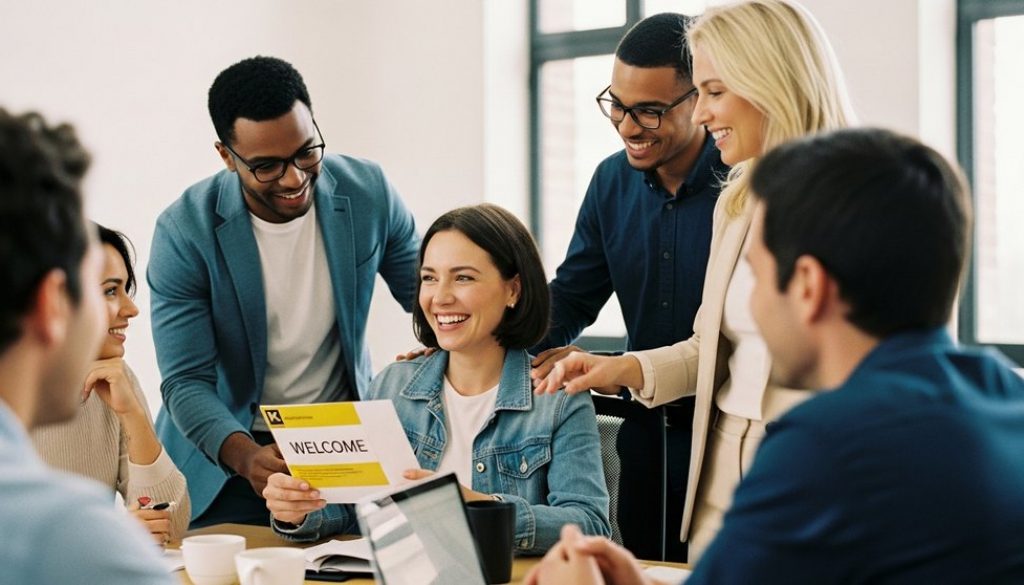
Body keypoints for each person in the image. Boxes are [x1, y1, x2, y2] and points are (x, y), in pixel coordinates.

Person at [526, 128, 1024, 584]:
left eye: (757, 277)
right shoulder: (1003, 394)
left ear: (808, 286)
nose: (753, 308)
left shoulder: (822, 446)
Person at [534, 0, 853, 560]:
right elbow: (707, 344)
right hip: (707, 457)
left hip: (800, 468)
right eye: (618, 107)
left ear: (767, 81)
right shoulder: (741, 198)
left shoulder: (849, 200)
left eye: (714, 91)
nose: (706, 114)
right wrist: (485, 339)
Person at [149, 56, 421, 527]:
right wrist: (247, 458)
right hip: (230, 459)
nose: (294, 178)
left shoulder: (368, 192)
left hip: (342, 445)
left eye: (306, 152)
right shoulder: (184, 231)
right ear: (225, 157)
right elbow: (185, 381)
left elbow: (429, 300)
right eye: (267, 167)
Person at [264, 204, 611, 553]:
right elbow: (356, 508)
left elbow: (590, 526)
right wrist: (299, 509)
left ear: (513, 290)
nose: (440, 298)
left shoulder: (559, 399)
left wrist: (481, 508)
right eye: (430, 277)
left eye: (463, 277)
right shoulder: (391, 386)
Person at [528, 13, 728, 561]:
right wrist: (483, 342)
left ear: (700, 99)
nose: (626, 126)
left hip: (723, 439)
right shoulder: (609, 181)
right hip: (643, 441)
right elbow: (570, 298)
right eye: (617, 104)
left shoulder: (742, 187)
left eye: (650, 111)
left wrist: (615, 367)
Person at [0, 108, 172, 583]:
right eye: (102, 291)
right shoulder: (68, 537)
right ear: (51, 303)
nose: (130, 311)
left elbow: (171, 520)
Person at [32, 225, 190, 544]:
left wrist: (131, 414)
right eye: (109, 291)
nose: (131, 310)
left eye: (123, 290)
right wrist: (111, 535)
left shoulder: (116, 380)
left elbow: (171, 527)